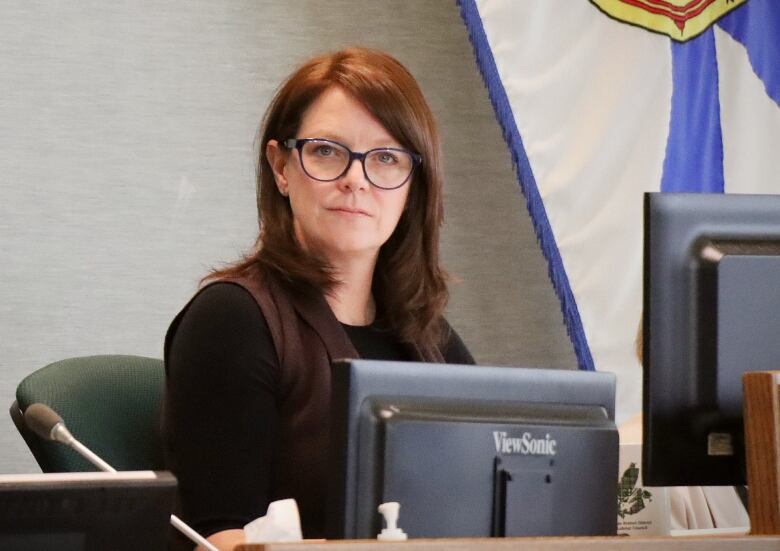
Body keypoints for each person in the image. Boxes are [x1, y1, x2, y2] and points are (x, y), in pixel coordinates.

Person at [162, 47, 474, 550]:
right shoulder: (233, 319)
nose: (356, 178)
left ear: (413, 188)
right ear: (281, 167)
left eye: (386, 158)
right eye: (327, 150)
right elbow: (217, 538)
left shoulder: (430, 339)